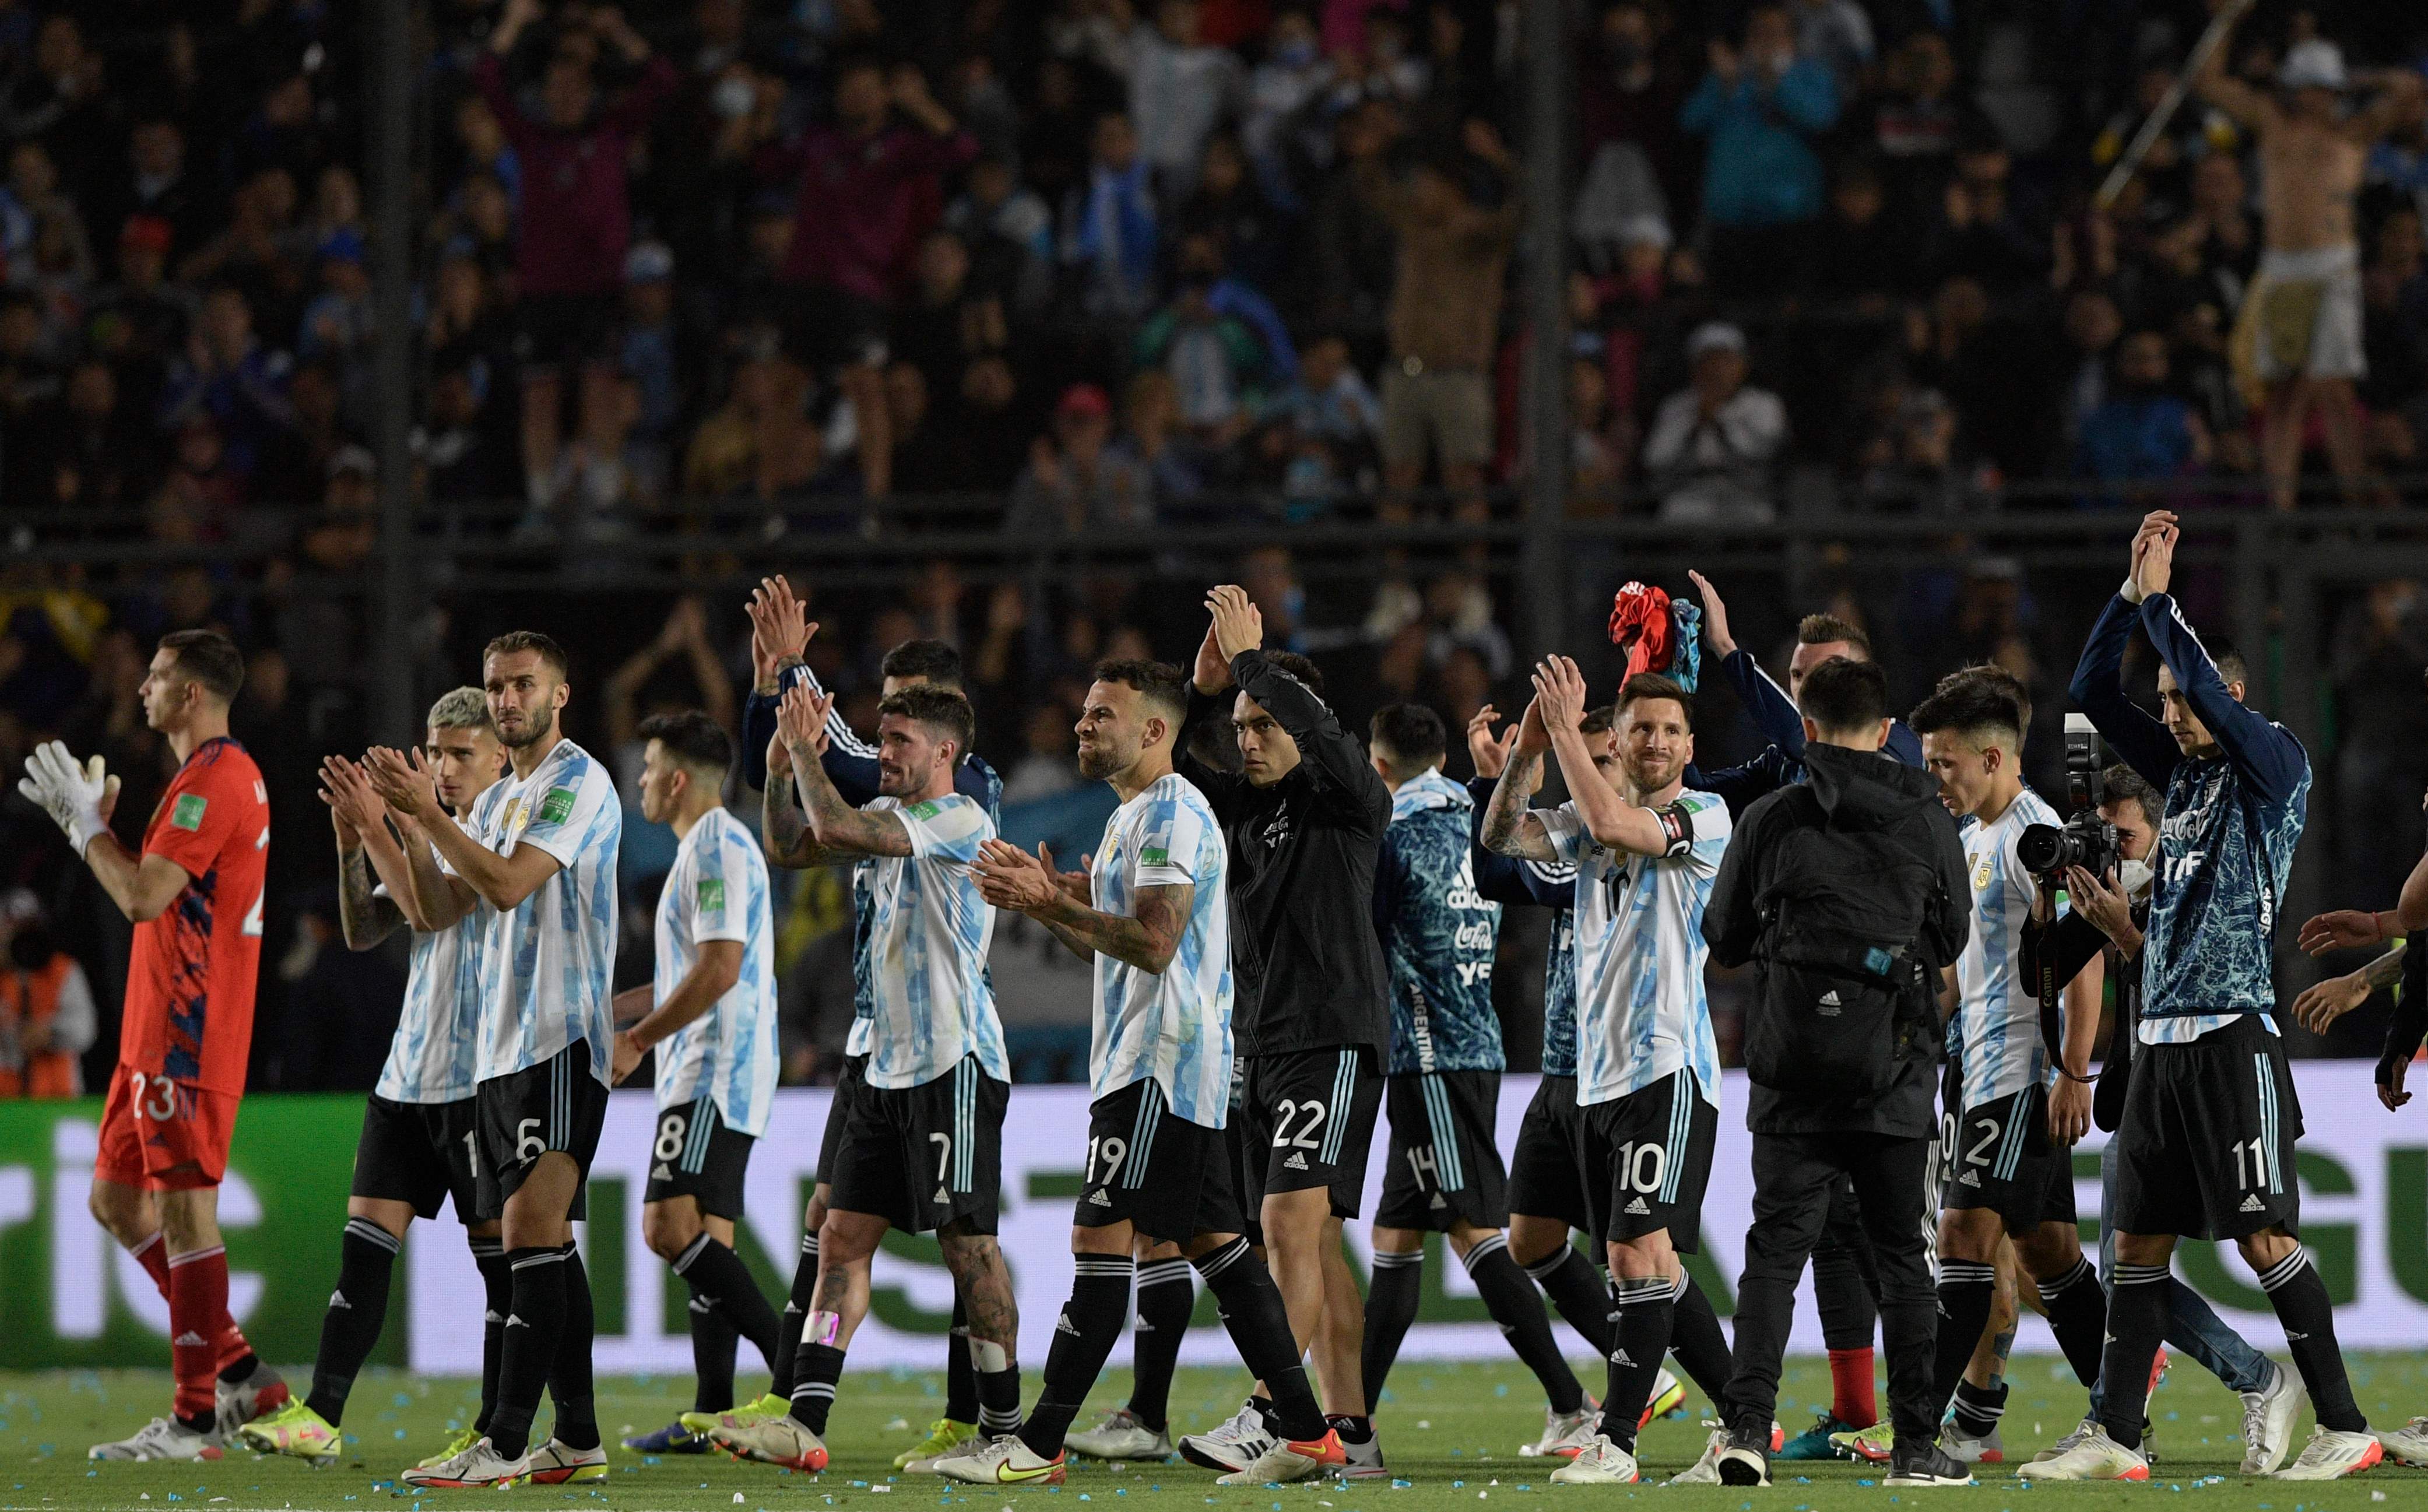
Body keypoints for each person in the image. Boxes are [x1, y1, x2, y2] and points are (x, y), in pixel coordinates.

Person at [939, 661, 1332, 1486]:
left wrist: (1048, 902)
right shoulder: (1133, 817)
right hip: (1155, 1058)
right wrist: (1051, 898)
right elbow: (1123, 944)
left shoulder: (1173, 813)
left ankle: (1036, 1444)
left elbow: (1155, 942)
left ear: (1154, 731)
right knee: (1217, 1243)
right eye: (1083, 713)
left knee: (1099, 1240)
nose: (1082, 726)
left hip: (1159, 1061)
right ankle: (1306, 1429)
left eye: (1100, 715)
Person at [2051, 508, 2377, 1481]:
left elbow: (2199, 687)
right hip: (2161, 1039)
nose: (2172, 712)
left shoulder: (2273, 762)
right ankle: (2115, 1432)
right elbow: (2084, 694)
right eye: (2167, 699)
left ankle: (2345, 1421)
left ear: (2227, 692)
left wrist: (2166, 605)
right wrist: (2126, 596)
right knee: (2137, 1244)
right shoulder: (2184, 776)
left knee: (2264, 1233)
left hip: (2236, 1033)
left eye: (2185, 698)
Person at [710, 680, 1017, 1474]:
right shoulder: (889, 822)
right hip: (883, 1062)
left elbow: (835, 823)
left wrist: (810, 749)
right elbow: (791, 844)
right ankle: (806, 1418)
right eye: (879, 740)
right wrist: (780, 767)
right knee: (840, 1237)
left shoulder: (959, 818)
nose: (882, 753)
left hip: (952, 1061)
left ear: (945, 752)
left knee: (968, 1246)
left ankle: (1006, 1431)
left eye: (900, 741)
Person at [1696, 655, 1971, 1490]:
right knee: (1900, 1259)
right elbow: (1952, 935)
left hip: (1790, 1074)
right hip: (1893, 1071)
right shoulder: (1928, 820)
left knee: (1774, 1254)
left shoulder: (1773, 817)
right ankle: (1917, 1446)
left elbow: (1724, 937)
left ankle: (1746, 1430)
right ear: (1888, 731)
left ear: (1806, 728)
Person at [16, 630, 287, 1460]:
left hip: (187, 1031)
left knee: (183, 1211)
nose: (143, 685)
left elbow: (142, 895)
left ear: (195, 693)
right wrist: (95, 827)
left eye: (160, 676)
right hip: (151, 1033)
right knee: (115, 1200)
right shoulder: (197, 778)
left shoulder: (213, 779)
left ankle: (196, 1418)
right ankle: (241, 1369)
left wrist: (82, 828)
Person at [371, 631, 624, 1490]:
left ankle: (506, 1440)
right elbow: (440, 909)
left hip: (558, 1035)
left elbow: (513, 884)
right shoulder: (498, 798)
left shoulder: (575, 781)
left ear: (560, 694)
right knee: (544, 1241)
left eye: (523, 686)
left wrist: (432, 814)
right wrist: (409, 823)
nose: (506, 699)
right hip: (499, 1046)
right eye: (496, 686)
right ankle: (579, 1434)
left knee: (526, 1235)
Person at [238, 690, 508, 1467]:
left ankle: (499, 1424)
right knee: (364, 1246)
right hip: (410, 1071)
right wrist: (352, 842)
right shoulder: (431, 828)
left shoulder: (498, 835)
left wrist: (406, 823)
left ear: (497, 758)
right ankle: (320, 1414)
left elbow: (435, 910)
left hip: (480, 1074)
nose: (446, 768)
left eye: (462, 753)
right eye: (437, 750)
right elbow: (364, 930)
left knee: (499, 1261)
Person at [1682, 572, 1917, 1455]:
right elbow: (1701, 792)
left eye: (1814, 684)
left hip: (1905, 1036)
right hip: (1809, 1036)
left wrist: (1732, 662)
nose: (1799, 700)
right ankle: (1860, 1415)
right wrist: (1666, 696)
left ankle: (1996, 1400)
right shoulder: (1784, 774)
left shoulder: (1898, 773)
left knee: (1952, 1230)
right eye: (1792, 679)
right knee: (1834, 1229)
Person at [1480, 666, 1732, 1485]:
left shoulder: (1704, 814)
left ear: (1689, 746)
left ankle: (1615, 1442)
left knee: (1632, 1254)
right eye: (1641, 728)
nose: (1655, 740)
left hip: (1667, 1062)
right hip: (1597, 1076)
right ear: (1617, 740)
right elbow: (1499, 837)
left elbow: (1610, 818)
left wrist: (1563, 733)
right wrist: (1525, 747)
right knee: (1643, 1257)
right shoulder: (1593, 819)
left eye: (1670, 729)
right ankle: (1745, 1418)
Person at [1171, 586, 1392, 1479]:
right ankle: (1353, 1431)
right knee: (1313, 1242)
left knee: (1286, 1226)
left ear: (1303, 724)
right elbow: (1174, 761)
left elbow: (1338, 750)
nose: (1248, 737)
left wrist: (1258, 659)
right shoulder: (1242, 812)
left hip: (1330, 1037)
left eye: (1263, 723)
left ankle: (1274, 1413)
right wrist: (1203, 687)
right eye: (1242, 724)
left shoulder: (1345, 800)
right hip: (1259, 1045)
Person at [2026, 764, 2300, 1475]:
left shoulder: (2192, 894)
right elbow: (2042, 975)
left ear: (2163, 834)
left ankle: (2260, 1385)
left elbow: (2190, 991)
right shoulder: (2123, 894)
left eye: (2127, 836)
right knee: (2126, 1271)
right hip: (2143, 1099)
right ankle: (2123, 1418)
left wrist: (2123, 930)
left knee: (2253, 1247)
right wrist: (2045, 903)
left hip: (2213, 1092)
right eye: (2106, 838)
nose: (2115, 852)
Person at [1355, 703, 1600, 1448]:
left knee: (1474, 1229)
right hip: (1477, 1041)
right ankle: (1354, 1422)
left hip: (1427, 1053)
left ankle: (1588, 1395)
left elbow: (1369, 937)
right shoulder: (1474, 819)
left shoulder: (1392, 839)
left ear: (1378, 764)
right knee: (1394, 1237)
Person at [1905, 680, 2111, 1447]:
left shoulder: (2039, 835)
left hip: (2021, 1071)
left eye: (1946, 763)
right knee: (2049, 1252)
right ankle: (2122, 1418)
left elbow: (2084, 956)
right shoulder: (1969, 837)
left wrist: (2072, 1070)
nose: (1937, 777)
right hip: (1973, 1068)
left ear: (1993, 757)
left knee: (1961, 1235)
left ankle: (1918, 1424)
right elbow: (1965, 970)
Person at [610, 712, 784, 1454]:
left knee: (665, 1227)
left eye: (649, 767)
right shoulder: (704, 850)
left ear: (678, 780)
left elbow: (719, 968)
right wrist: (607, 1014)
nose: (641, 780)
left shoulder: (714, 847)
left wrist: (638, 1041)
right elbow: (690, 971)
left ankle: (799, 1376)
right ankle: (711, 1409)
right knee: (707, 1234)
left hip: (714, 1065)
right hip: (714, 1063)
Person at [2197, 3, 2425, 509]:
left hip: (2331, 266)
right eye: (2304, 87)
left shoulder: (2353, 133)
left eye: (2317, 88)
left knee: (2334, 392)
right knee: (2283, 396)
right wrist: (2227, 22)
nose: (2309, 98)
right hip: (2282, 269)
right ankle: (2280, 508)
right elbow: (2208, 82)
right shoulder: (2273, 125)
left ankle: (2355, 507)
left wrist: (2352, 82)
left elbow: (2410, 88)